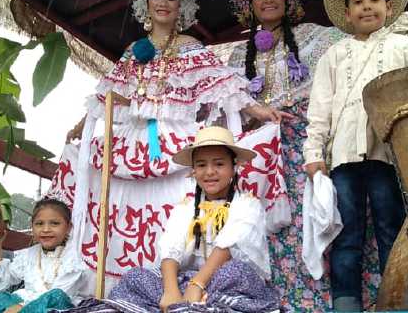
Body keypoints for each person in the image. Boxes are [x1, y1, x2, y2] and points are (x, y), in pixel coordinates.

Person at [47, 0, 287, 296]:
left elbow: (223, 87)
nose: (163, 4)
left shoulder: (190, 46)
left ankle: (183, 284)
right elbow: (109, 96)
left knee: (180, 211)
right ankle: (125, 291)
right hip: (132, 142)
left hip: (174, 141)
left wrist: (258, 110)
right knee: (111, 202)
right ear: (145, 4)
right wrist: (79, 126)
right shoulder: (134, 51)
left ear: (181, 6)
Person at [303, 0, 408, 311]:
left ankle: (396, 302)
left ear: (389, 7)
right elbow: (320, 111)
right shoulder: (334, 55)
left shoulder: (403, 47)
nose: (366, 6)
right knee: (346, 236)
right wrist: (314, 156)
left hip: (391, 155)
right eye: (358, 1)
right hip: (343, 157)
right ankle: (347, 306)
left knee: (393, 228)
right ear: (347, 12)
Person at [228, 0, 346, 310]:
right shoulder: (238, 54)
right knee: (266, 228)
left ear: (288, 0)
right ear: (248, 5)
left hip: (302, 146)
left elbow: (348, 55)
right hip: (261, 154)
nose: (267, 0)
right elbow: (228, 98)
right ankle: (275, 302)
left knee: (311, 219)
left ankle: (321, 301)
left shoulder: (314, 36)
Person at [74, 126, 281, 313]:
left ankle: (198, 304)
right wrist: (171, 291)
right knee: (136, 276)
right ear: (193, 171)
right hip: (187, 281)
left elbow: (227, 246)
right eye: (201, 165)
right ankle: (184, 306)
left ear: (233, 167)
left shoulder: (247, 204)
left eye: (219, 164)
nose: (209, 172)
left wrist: (196, 285)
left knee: (236, 271)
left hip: (224, 282)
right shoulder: (186, 208)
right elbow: (170, 248)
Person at [0, 198, 88, 313]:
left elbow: (59, 297)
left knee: (56, 296)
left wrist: (20, 309)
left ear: (68, 227)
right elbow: (1, 277)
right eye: (39, 224)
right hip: (24, 302)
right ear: (32, 227)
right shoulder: (28, 255)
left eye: (55, 223)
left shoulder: (73, 260)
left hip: (52, 308)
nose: (46, 229)